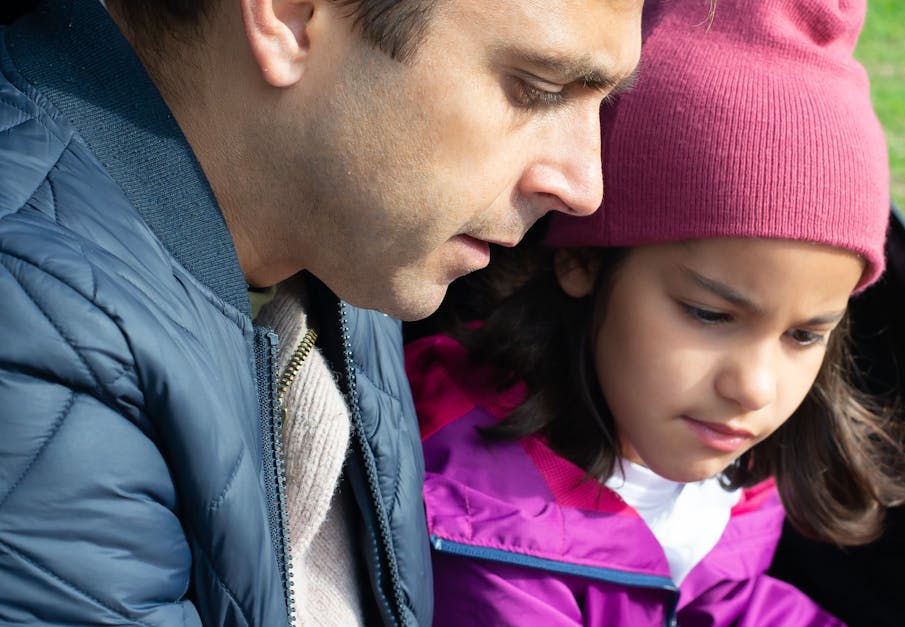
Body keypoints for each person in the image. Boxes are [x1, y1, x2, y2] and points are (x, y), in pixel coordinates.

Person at [0, 0, 641, 623]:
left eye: (601, 103)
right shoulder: (37, 330)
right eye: (536, 88)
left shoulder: (346, 240)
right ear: (288, 16)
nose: (585, 187)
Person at [405, 0, 905, 624]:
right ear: (581, 263)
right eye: (710, 315)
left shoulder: (717, 468)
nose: (754, 387)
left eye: (803, 335)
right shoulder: (480, 533)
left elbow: (724, 603)